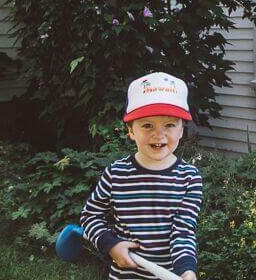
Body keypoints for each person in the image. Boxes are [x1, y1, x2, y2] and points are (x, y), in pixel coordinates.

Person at [80, 72, 202, 280]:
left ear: (182, 130)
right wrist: (110, 244)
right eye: (147, 125)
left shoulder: (189, 178)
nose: (159, 134)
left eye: (170, 125)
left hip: (168, 275)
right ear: (130, 130)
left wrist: (186, 270)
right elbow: (90, 216)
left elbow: (183, 232)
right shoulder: (116, 174)